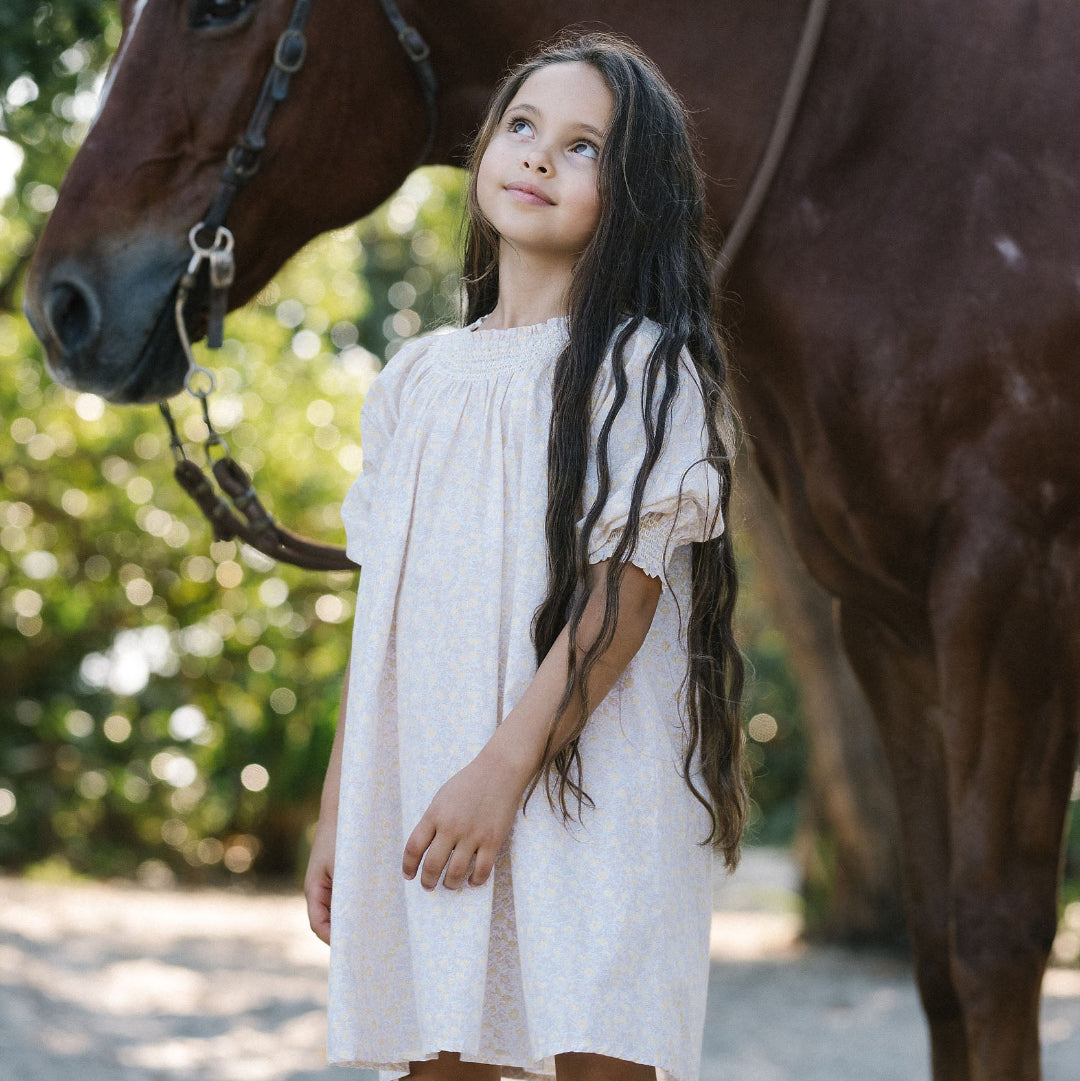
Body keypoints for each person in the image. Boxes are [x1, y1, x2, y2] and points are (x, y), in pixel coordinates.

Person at [304, 31, 747, 1081]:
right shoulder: (414, 380)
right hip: (432, 796)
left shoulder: (643, 369)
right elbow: (386, 627)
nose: (540, 156)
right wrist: (340, 811)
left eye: (584, 146)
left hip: (583, 792)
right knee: (438, 1059)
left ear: (634, 193)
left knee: (597, 1053)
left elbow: (620, 603)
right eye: (522, 126)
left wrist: (501, 775)